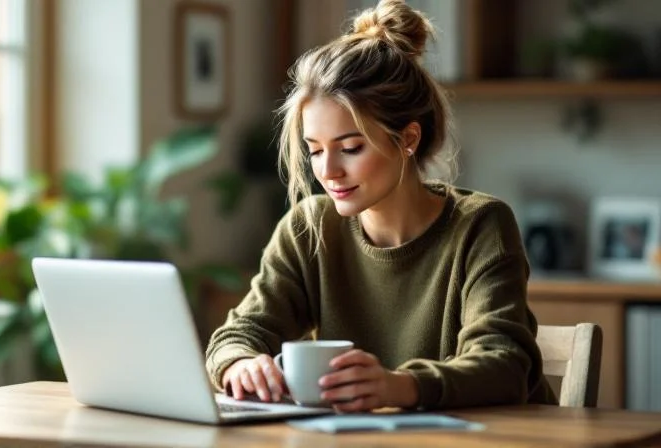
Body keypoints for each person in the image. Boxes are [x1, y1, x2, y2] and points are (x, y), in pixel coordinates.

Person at [205, 0, 556, 412]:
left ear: (407, 139)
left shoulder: (480, 225)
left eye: (350, 148)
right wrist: (240, 364)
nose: (328, 171)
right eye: (314, 151)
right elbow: (239, 333)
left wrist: (399, 386)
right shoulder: (308, 228)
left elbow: (506, 364)